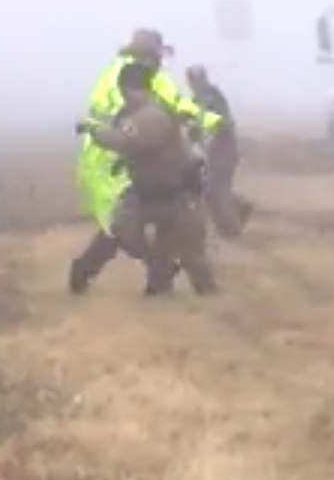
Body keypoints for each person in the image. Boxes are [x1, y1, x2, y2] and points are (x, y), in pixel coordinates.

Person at [70, 61, 215, 295]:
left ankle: (198, 295)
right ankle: (84, 272)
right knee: (118, 230)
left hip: (177, 193)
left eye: (124, 92)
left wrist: (93, 130)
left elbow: (127, 142)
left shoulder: (151, 115)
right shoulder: (139, 114)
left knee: (190, 253)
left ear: (130, 88)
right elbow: (143, 149)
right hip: (147, 190)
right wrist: (124, 161)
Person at [75, 28, 201, 239]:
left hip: (136, 156)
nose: (157, 61)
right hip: (130, 152)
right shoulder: (141, 81)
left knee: (130, 225)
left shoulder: (134, 79)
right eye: (153, 56)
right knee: (126, 224)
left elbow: (174, 113)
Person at [185, 64, 254, 237]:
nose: (193, 83)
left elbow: (222, 124)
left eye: (196, 79)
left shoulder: (213, 97)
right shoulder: (197, 100)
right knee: (211, 188)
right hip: (212, 150)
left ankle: (231, 228)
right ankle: (239, 207)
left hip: (223, 148)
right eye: (192, 80)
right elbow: (193, 126)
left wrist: (208, 138)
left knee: (215, 189)